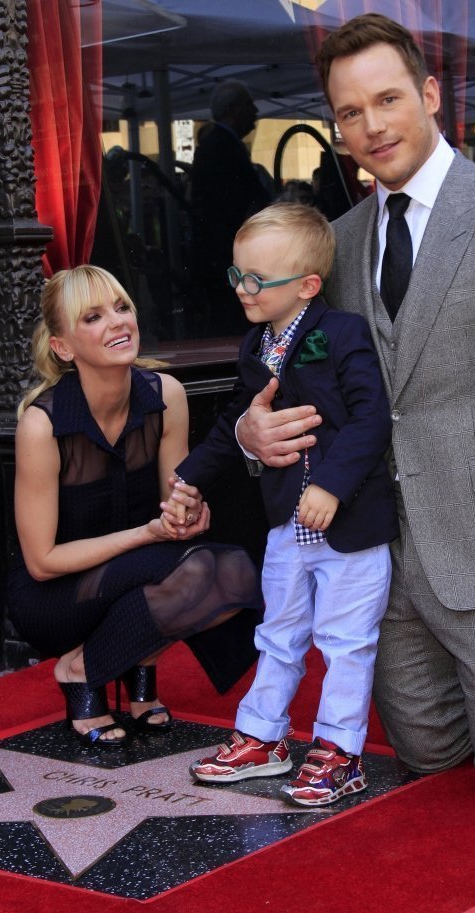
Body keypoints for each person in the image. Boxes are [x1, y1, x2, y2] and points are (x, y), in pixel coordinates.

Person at [235, 13, 475, 800]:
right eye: (350, 112)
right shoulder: (336, 244)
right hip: (380, 552)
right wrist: (252, 431)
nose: (372, 125)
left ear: (429, 93)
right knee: (432, 753)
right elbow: (294, 369)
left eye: (386, 99)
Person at [171, 202, 397, 806]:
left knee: (345, 640)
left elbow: (372, 419)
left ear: (307, 286)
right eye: (237, 276)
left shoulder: (342, 334)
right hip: (285, 526)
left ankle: (339, 750)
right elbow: (238, 423)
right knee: (279, 632)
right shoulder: (256, 346)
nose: (243, 289)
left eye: (257, 280)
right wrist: (191, 476)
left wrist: (332, 484)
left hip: (348, 525)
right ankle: (263, 737)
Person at [7, 265, 262, 748]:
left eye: (122, 307)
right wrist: (149, 534)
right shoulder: (42, 425)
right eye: (93, 317)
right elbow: (41, 564)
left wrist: (187, 514)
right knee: (181, 568)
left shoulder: (166, 396)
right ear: (63, 346)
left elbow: (175, 498)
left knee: (228, 571)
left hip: (136, 566)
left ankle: (134, 659)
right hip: (57, 597)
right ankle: (80, 668)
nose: (117, 322)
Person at [189, 80, 272, 336]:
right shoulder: (221, 147)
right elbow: (229, 206)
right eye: (249, 105)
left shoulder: (222, 144)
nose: (256, 112)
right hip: (226, 256)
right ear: (233, 109)